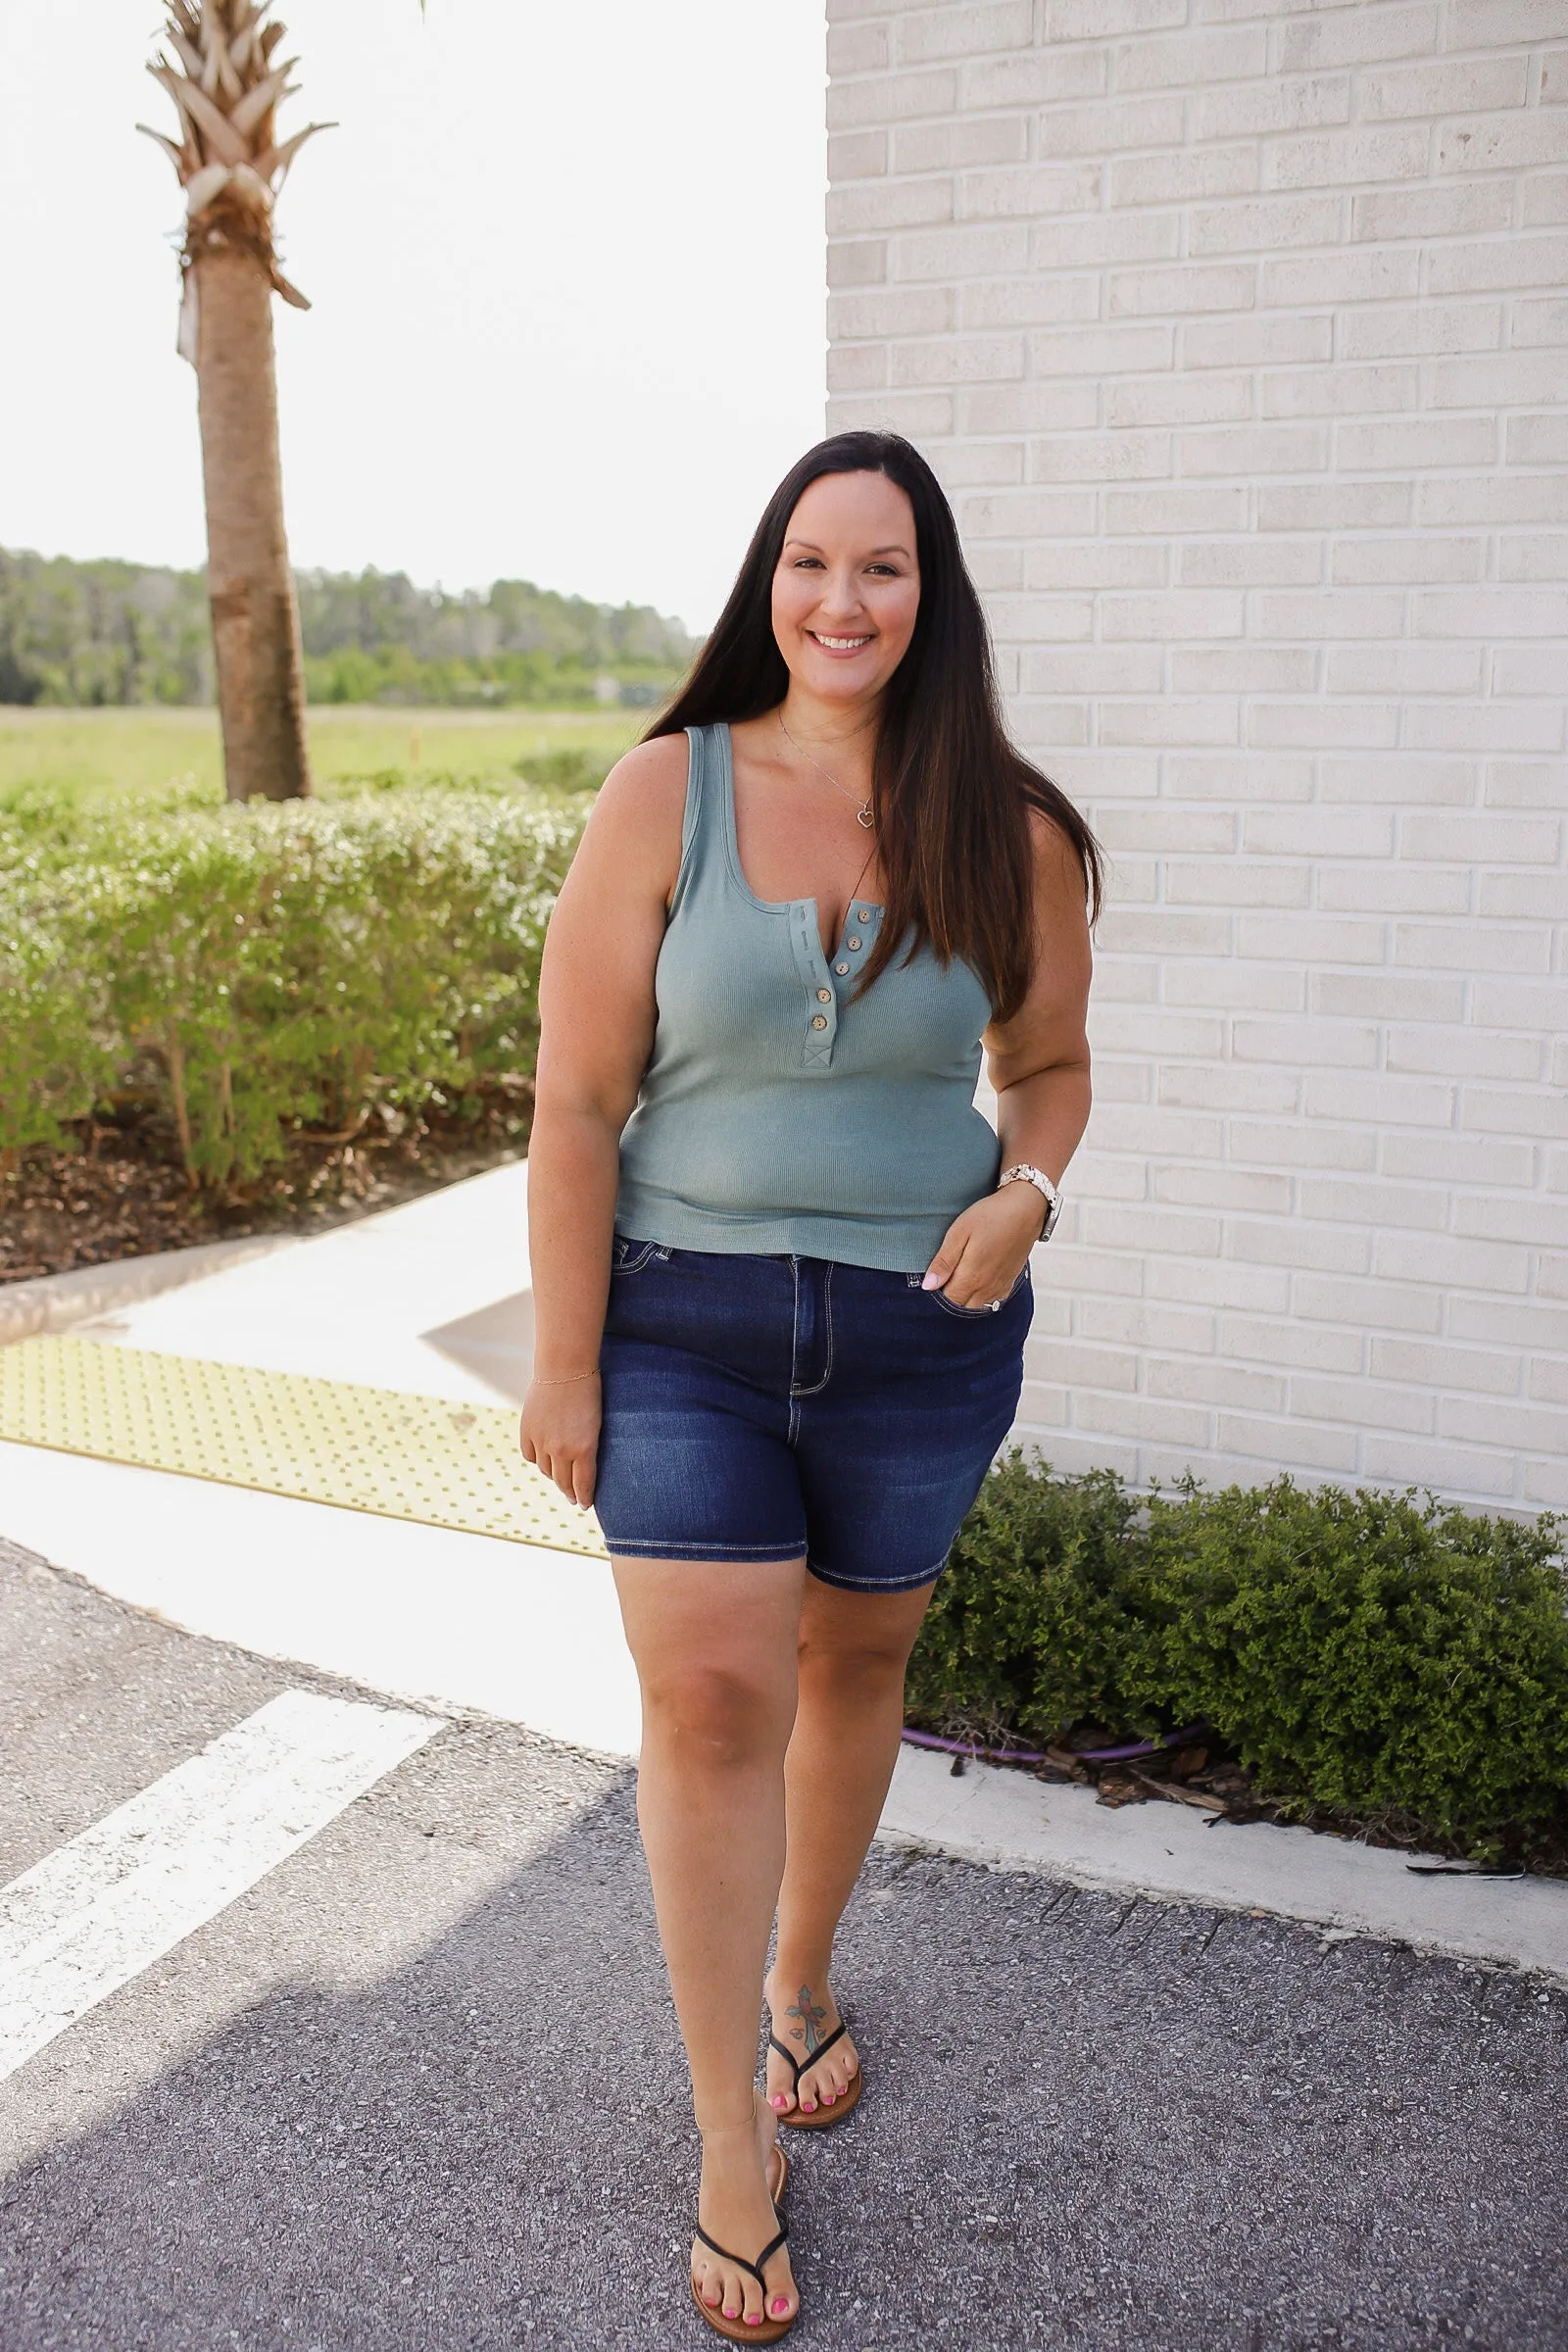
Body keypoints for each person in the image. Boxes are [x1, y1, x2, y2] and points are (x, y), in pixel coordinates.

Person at [520, 429, 1099, 2341]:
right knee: (702, 1704)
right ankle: (725, 2151)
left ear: (931, 602)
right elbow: (578, 1101)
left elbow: (1051, 1065)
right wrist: (562, 1352)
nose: (840, 601)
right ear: (764, 581)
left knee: (856, 1670)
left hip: (918, 1335)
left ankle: (799, 1979)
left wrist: (1024, 1191)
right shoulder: (660, 792)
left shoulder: (1003, 829)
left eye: (883, 570)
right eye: (809, 562)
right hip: (678, 1323)